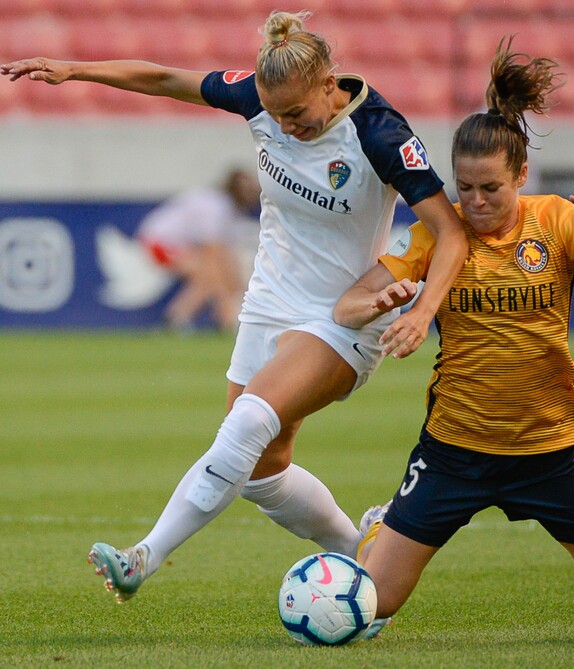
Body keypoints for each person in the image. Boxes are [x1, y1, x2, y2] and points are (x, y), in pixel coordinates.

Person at [1, 10, 468, 603]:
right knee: (261, 471)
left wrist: (424, 310)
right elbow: (166, 79)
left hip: (344, 313)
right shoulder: (259, 97)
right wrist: (74, 70)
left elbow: (448, 231)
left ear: (330, 84)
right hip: (269, 300)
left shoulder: (381, 133)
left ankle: (144, 556)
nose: (285, 128)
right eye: (274, 117)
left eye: (295, 116)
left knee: (246, 422)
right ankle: (362, 560)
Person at [334, 37, 574, 624]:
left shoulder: (560, 219)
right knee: (375, 605)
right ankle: (384, 526)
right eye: (465, 187)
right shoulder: (441, 231)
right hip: (455, 452)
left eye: (492, 188)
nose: (477, 201)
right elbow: (346, 306)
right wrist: (381, 300)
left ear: (521, 175)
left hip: (549, 448)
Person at [136, 168, 262, 331]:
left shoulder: (228, 210)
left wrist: (236, 287)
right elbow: (215, 254)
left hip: (170, 243)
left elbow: (226, 254)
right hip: (159, 242)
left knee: (208, 277)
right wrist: (231, 294)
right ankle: (179, 319)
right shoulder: (217, 206)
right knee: (209, 275)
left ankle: (177, 319)